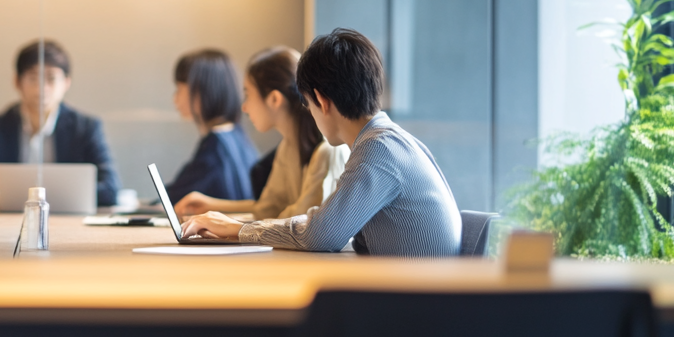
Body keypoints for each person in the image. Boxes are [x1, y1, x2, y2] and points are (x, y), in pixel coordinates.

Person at [180, 29, 461, 256]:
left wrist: (237, 229)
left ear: (322, 102)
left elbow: (321, 233)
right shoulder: (385, 141)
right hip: (416, 293)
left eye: (308, 105)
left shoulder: (379, 150)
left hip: (419, 308)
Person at [174, 46, 346, 219]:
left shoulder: (327, 150)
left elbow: (302, 220)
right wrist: (213, 208)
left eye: (248, 95)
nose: (244, 107)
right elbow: (268, 208)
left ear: (274, 99)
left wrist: (230, 226)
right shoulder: (287, 147)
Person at [0, 39, 120, 209]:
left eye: (51, 78)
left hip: (71, 223)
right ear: (17, 82)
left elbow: (110, 189)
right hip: (5, 224)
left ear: (66, 83)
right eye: (33, 78)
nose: (42, 88)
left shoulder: (86, 127)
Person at [163, 50, 259, 202]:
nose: (175, 98)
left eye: (179, 89)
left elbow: (174, 198)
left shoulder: (215, 147)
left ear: (201, 91)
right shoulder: (236, 136)